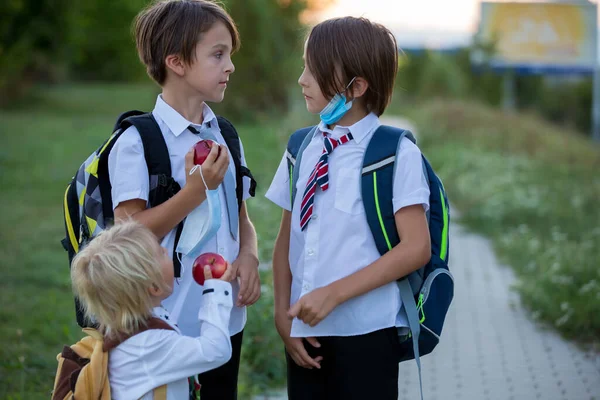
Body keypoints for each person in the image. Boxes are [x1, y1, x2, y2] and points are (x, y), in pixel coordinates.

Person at [265, 16, 432, 400]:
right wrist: (281, 312)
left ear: (355, 87)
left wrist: (333, 294)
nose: (302, 79)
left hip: (368, 332)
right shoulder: (302, 147)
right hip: (305, 332)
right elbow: (286, 238)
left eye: (314, 70)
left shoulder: (396, 153)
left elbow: (415, 247)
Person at [108, 1, 260, 398]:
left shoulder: (225, 134)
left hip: (223, 317)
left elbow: (239, 216)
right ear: (176, 62)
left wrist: (249, 255)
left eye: (229, 55)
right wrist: (195, 192)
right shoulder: (137, 142)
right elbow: (127, 234)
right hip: (166, 325)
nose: (230, 66)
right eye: (217, 54)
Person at [70, 220, 234, 399]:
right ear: (154, 287)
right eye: (161, 252)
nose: (166, 250)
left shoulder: (127, 328)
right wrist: (215, 291)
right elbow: (216, 350)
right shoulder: (148, 343)